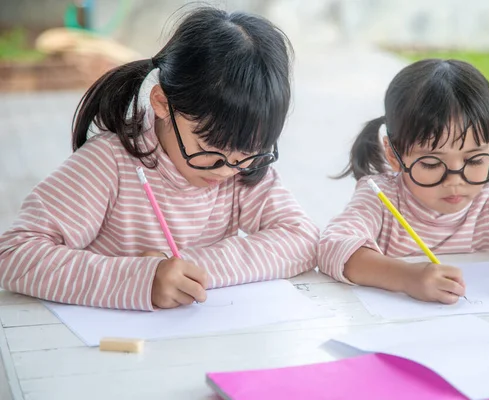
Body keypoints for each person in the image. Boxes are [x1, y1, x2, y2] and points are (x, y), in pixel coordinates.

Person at [0, 7, 319, 311]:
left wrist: (189, 266)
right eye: (210, 146)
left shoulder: (243, 169)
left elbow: (303, 240)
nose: (225, 171)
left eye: (249, 151)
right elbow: (14, 255)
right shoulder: (110, 163)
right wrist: (139, 280)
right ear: (162, 104)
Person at [318, 58, 489, 307]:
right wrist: (407, 277)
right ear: (393, 154)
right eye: (430, 163)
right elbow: (332, 246)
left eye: (475, 160)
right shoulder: (380, 198)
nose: (455, 180)